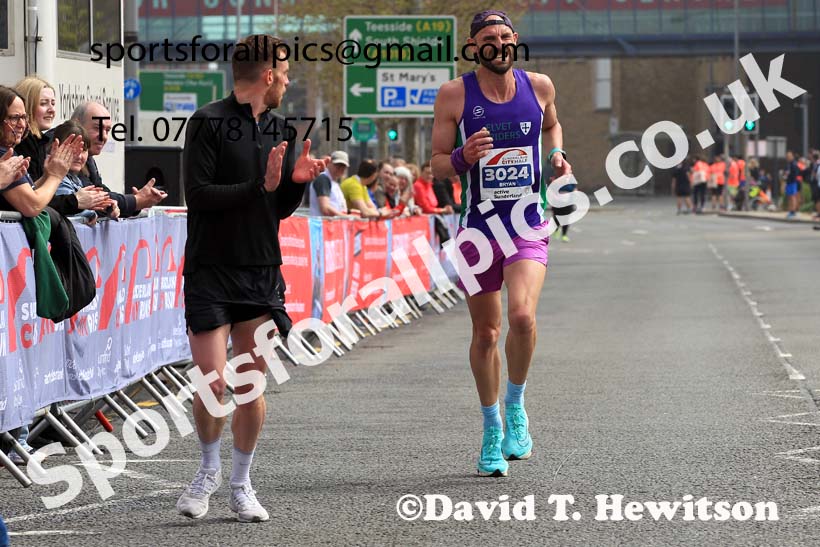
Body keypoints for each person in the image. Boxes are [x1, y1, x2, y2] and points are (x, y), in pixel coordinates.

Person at [177, 33, 328, 523]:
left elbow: (275, 207)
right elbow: (198, 194)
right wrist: (257, 185)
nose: (288, 80)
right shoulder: (207, 122)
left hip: (260, 271)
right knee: (211, 380)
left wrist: (295, 187)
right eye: (284, 73)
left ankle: (242, 483)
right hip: (210, 268)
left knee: (249, 386)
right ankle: (208, 469)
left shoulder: (282, 127)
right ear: (268, 75)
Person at [431, 10, 572, 477]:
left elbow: (551, 125)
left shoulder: (540, 86)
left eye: (505, 36)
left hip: (527, 221)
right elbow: (436, 165)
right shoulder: (454, 94)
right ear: (473, 47)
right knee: (487, 333)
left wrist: (556, 155)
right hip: (478, 228)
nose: (498, 43)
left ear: (515, 41)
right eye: (488, 37)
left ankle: (516, 404)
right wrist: (461, 155)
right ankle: (492, 428)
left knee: (522, 317)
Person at [15, 77, 110, 219]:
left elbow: (35, 192)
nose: (51, 110)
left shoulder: (39, 141)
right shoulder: (25, 144)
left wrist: (108, 206)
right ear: (26, 107)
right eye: (43, 103)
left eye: (53, 103)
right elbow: (32, 199)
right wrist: (74, 200)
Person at [70, 101, 167, 217]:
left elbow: (102, 193)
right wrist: (135, 201)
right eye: (97, 128)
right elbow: (93, 197)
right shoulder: (57, 148)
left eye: (107, 130)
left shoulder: (88, 157)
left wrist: (132, 202)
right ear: (76, 124)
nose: (103, 137)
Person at [0, 85, 83, 216]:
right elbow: (32, 206)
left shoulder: (8, 151)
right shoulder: (4, 155)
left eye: (24, 117)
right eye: (14, 118)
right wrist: (56, 176)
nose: (22, 125)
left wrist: (47, 175)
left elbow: (29, 193)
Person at [52, 120, 120, 225]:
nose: (79, 156)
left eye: (83, 150)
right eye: (73, 149)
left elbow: (84, 205)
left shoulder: (76, 179)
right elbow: (70, 210)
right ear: (57, 148)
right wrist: (92, 214)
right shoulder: (57, 180)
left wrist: (105, 208)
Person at [308, 150, 350, 217]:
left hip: (333, 225)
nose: (341, 168)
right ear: (330, 163)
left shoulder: (334, 182)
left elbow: (337, 206)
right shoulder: (323, 179)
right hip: (322, 225)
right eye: (338, 165)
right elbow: (325, 209)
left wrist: (352, 213)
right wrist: (346, 217)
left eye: (343, 166)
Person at [785, 150, 800, 219]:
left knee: (793, 197)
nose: (788, 157)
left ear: (792, 156)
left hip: (792, 182)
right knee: (789, 197)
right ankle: (790, 210)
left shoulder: (794, 164)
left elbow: (795, 174)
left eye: (789, 156)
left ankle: (793, 211)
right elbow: (787, 172)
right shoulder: (788, 164)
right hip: (788, 182)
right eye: (787, 156)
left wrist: (789, 176)